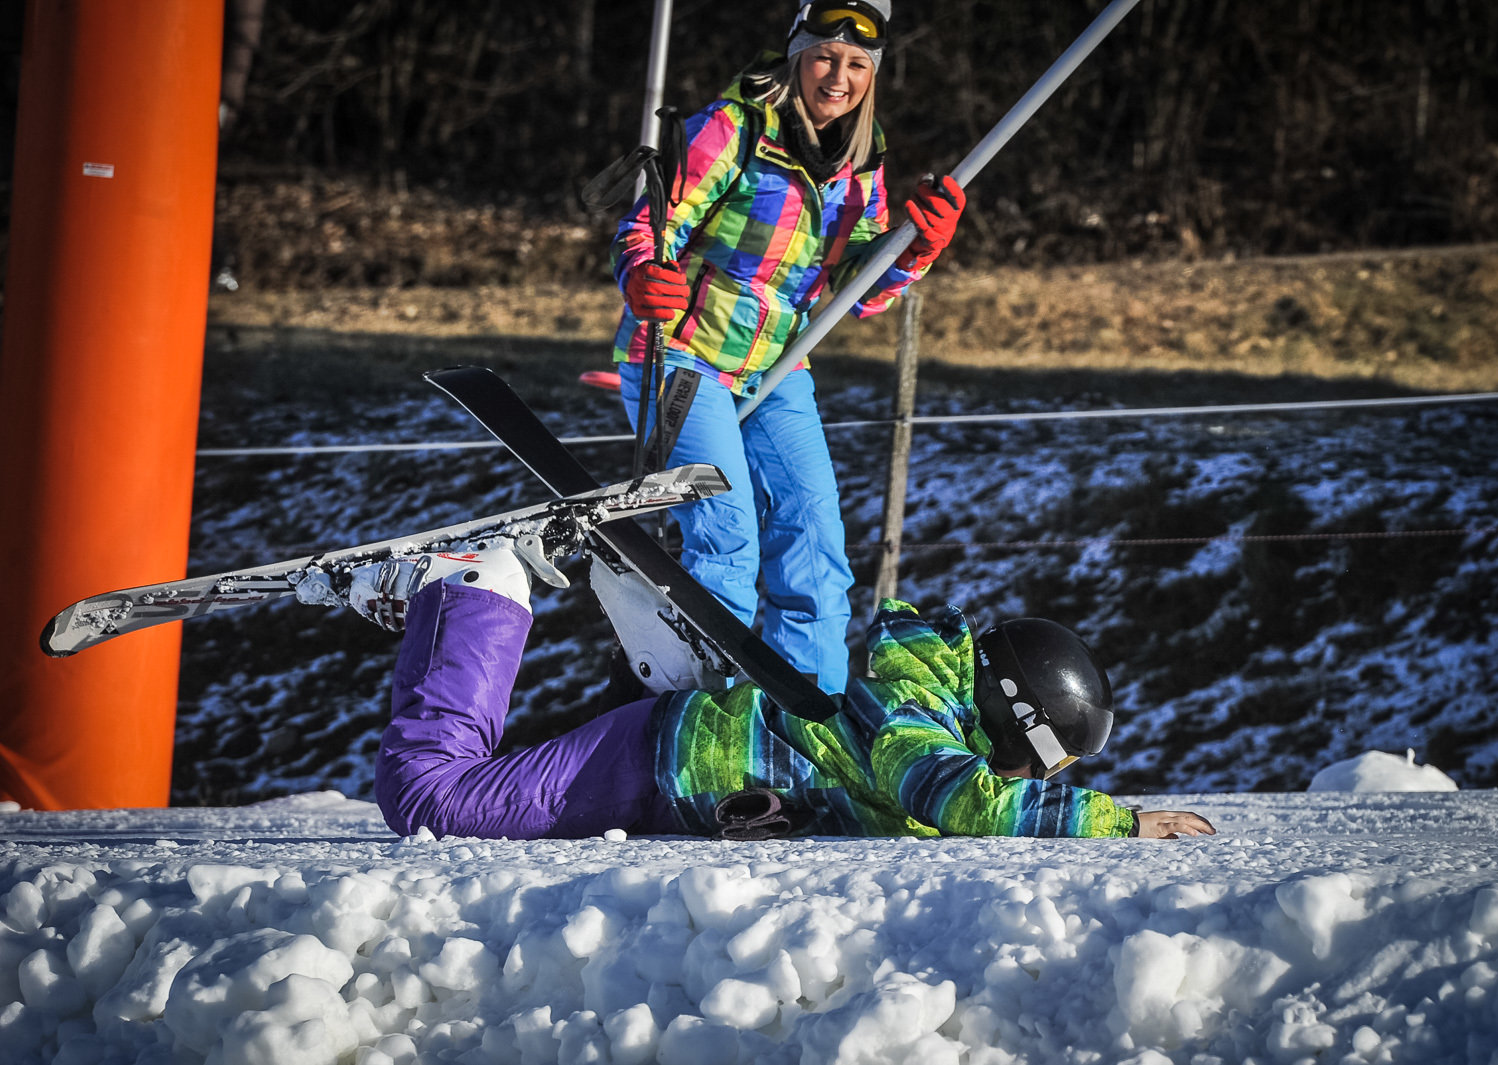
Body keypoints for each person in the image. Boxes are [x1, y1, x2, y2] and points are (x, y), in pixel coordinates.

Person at [353, 544, 1216, 843]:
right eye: (1034, 762)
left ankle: (627, 602)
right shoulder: (912, 720)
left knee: (459, 792)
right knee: (430, 798)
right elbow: (961, 798)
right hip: (662, 761)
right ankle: (473, 593)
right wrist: (1121, 821)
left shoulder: (921, 695)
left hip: (681, 767)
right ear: (1011, 712)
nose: (1027, 781)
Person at [607, 0, 966, 694]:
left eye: (858, 63)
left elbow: (862, 292)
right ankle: (704, 722)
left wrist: (919, 248)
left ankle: (811, 722)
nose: (839, 76)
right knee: (726, 537)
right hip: (684, 356)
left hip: (777, 367)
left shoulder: (863, 162)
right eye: (826, 56)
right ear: (797, 55)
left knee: (815, 540)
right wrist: (645, 275)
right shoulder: (732, 127)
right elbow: (650, 221)